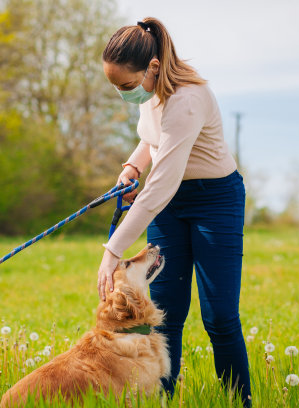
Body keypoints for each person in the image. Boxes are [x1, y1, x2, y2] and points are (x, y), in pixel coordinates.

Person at [97, 17, 251, 406]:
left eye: (126, 86)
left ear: (151, 68)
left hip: (215, 200)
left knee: (219, 318)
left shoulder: (187, 98)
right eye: (116, 87)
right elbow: (151, 140)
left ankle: (240, 401)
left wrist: (112, 251)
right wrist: (132, 168)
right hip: (171, 204)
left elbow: (159, 188)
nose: (123, 94)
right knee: (165, 315)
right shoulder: (150, 92)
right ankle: (162, 400)